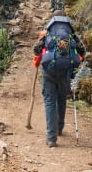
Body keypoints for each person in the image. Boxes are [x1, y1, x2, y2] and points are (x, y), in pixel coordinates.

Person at [32, 10, 86, 147]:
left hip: (49, 72)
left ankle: (51, 138)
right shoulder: (71, 35)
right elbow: (82, 52)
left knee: (50, 102)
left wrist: (38, 61)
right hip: (65, 72)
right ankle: (60, 128)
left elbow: (36, 50)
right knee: (62, 99)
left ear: (53, 19)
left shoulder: (47, 32)